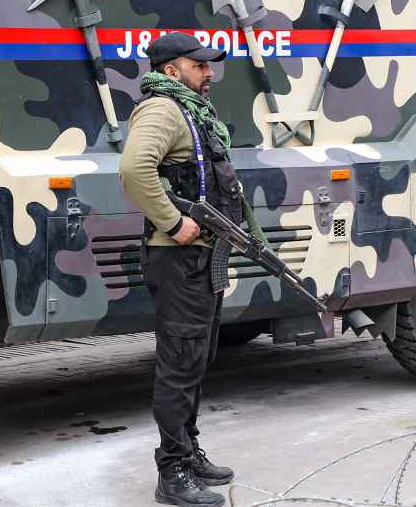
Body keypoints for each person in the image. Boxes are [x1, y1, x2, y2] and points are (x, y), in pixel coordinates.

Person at [120, 32, 242, 507]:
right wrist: (174, 222)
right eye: (200, 66)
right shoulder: (162, 110)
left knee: (199, 357)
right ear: (172, 71)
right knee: (179, 363)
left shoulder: (189, 111)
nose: (209, 74)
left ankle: (188, 451)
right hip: (179, 260)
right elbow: (134, 170)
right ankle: (172, 471)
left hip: (202, 258)